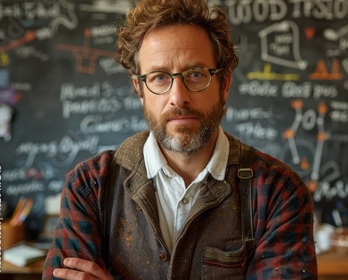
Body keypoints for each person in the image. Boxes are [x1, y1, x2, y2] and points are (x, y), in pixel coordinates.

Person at [42, 0, 318, 279]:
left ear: (224, 83)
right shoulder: (90, 187)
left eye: (195, 74)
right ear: (139, 88)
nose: (178, 97)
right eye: (160, 77)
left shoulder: (277, 193)